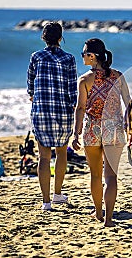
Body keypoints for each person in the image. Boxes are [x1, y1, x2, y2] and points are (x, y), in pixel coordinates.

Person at [72, 38, 132, 227]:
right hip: (114, 129)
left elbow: (80, 108)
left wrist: (75, 134)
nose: (82, 56)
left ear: (92, 56)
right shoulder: (118, 76)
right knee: (111, 176)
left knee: (95, 175)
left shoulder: (84, 80)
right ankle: (108, 219)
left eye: (84, 53)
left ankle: (98, 213)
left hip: (92, 128)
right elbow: (129, 105)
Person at [27, 22, 77, 211]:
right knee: (61, 153)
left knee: (44, 157)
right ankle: (57, 194)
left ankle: (46, 202)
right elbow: (72, 88)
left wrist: (33, 94)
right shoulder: (69, 58)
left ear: (44, 37)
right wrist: (75, 106)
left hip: (42, 111)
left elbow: (30, 82)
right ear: (60, 38)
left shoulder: (36, 57)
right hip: (63, 111)